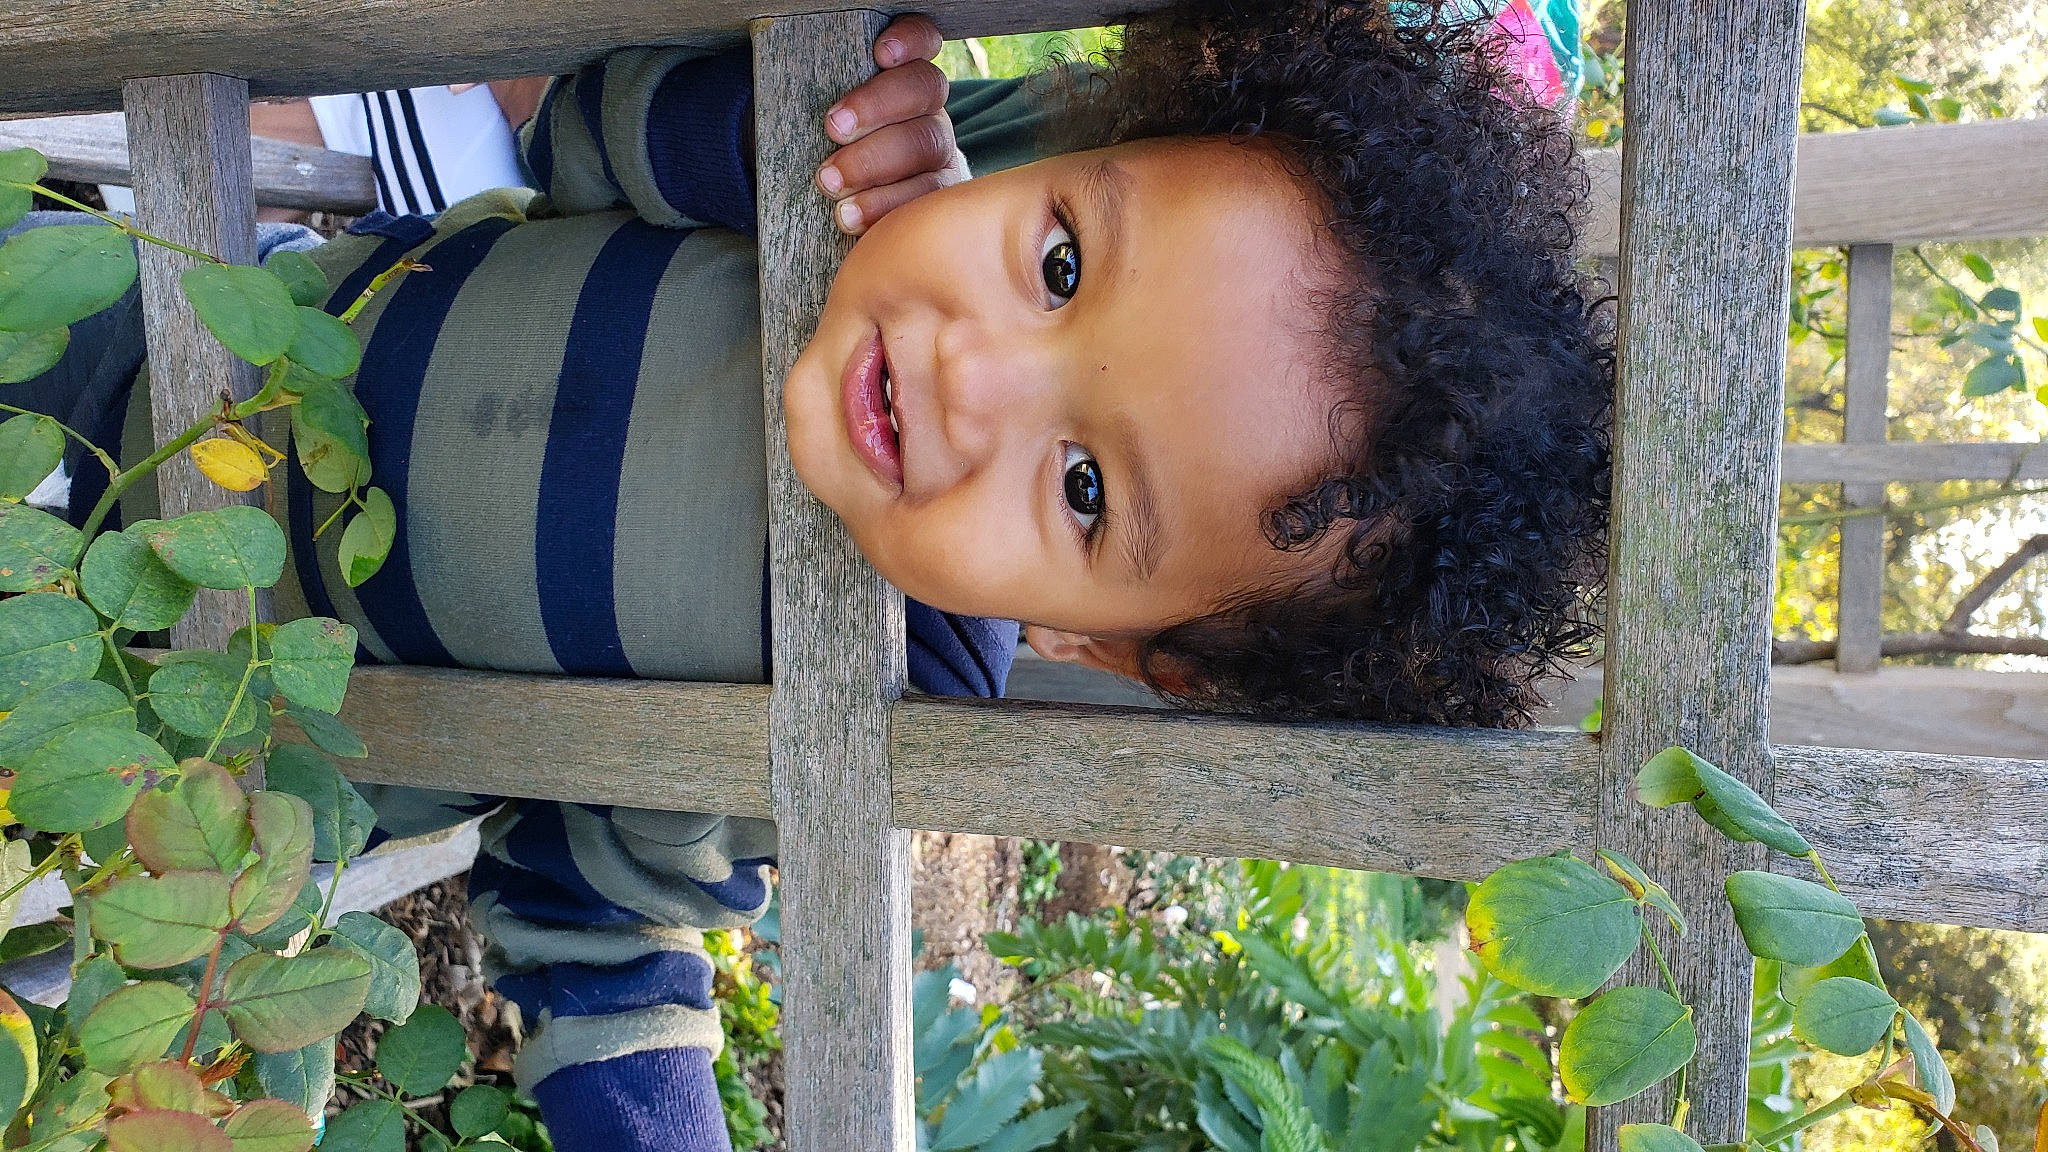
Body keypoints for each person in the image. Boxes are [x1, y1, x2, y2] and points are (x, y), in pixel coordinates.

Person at [9, 0, 1609, 1147]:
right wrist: (778, 133)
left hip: (174, 738)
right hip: (173, 339)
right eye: (1059, 262)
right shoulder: (826, 210)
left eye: (1083, 483)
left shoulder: (873, 699)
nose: (974, 375)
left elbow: (593, 913)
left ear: (1131, 652)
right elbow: (571, 132)